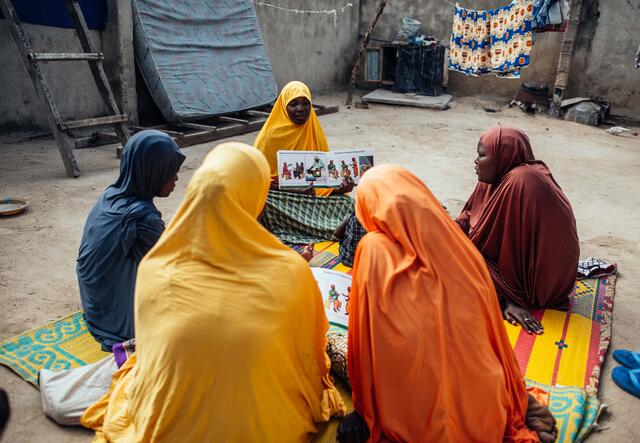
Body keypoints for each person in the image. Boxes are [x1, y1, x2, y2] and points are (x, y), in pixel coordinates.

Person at [81, 142, 345, 442]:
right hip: (260, 426)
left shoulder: (155, 266)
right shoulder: (289, 272)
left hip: (166, 419)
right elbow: (309, 354)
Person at [338, 165, 557, 443]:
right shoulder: (460, 247)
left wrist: (364, 410)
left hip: (414, 415)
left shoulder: (373, 251)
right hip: (484, 404)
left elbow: (366, 344)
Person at [456, 126, 579, 334]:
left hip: (538, 281)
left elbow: (515, 247)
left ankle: (508, 297)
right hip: (519, 264)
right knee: (445, 244)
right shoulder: (496, 177)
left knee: (451, 264)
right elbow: (470, 213)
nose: (476, 161)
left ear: (502, 156)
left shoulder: (522, 181)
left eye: (482, 155)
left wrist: (510, 298)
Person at [77, 130, 185, 351]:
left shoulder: (110, 195)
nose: (176, 179)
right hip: (118, 322)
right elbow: (173, 268)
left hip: (95, 303)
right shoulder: (142, 218)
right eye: (170, 172)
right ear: (152, 173)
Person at [254, 81, 354, 244]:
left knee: (348, 203)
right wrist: (290, 187)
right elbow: (256, 182)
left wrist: (339, 188)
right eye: (293, 104)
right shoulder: (269, 137)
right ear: (283, 107)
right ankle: (332, 230)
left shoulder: (314, 131)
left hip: (311, 197)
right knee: (263, 204)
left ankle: (326, 228)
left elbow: (323, 180)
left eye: (305, 103)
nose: (300, 109)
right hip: (282, 199)